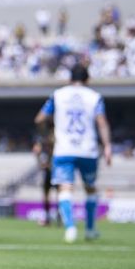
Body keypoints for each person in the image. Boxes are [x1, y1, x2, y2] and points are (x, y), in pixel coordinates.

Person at [34, 63, 112, 243]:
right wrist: (107, 146)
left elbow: (39, 119)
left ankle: (70, 228)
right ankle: (91, 229)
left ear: (70, 79)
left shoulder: (58, 95)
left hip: (64, 149)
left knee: (64, 188)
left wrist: (47, 135)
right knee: (90, 188)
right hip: (88, 149)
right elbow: (102, 122)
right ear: (87, 79)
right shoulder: (95, 97)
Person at [32, 130, 56, 226]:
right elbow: (36, 151)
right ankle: (48, 218)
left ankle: (56, 218)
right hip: (50, 173)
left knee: (59, 194)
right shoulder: (45, 146)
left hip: (55, 172)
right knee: (47, 196)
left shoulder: (56, 145)